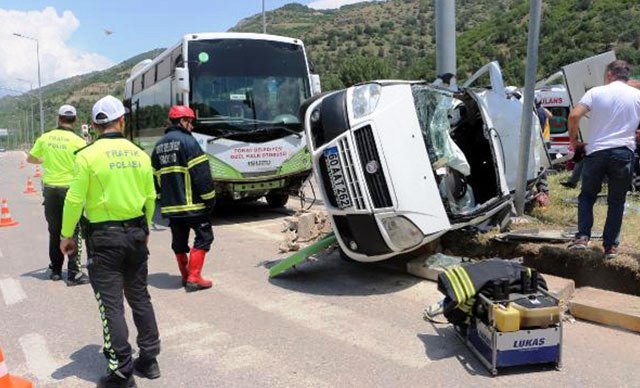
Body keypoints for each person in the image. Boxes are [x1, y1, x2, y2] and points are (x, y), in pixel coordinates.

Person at [60, 96, 161, 387]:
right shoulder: (139, 154)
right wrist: (146, 230)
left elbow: (75, 199)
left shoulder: (87, 155)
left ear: (93, 125)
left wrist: (67, 235)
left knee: (111, 305)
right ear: (122, 121)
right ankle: (150, 359)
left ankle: (121, 372)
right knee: (140, 296)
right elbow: (151, 198)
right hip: (136, 234)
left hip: (104, 238)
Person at [568, 60, 640, 258]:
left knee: (587, 196)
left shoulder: (595, 92)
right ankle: (610, 247)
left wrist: (574, 141)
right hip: (624, 153)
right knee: (617, 201)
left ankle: (582, 237)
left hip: (597, 151)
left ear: (609, 75)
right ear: (626, 76)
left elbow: (574, 116)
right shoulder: (637, 95)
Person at [151, 105, 216, 292]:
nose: (192, 126)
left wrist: (162, 200)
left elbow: (154, 178)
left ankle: (185, 275)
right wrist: (210, 199)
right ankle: (194, 277)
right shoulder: (189, 142)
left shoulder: (158, 146)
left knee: (179, 242)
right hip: (193, 205)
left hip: (171, 207)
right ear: (183, 121)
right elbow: (202, 175)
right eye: (190, 122)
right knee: (204, 237)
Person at [27, 104, 90, 285]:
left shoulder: (45, 138)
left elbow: (30, 158)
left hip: (51, 191)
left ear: (58, 118)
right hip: (70, 192)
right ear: (75, 120)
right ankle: (73, 273)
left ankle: (55, 271)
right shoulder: (79, 142)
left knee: (54, 232)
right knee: (72, 231)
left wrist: (45, 160)